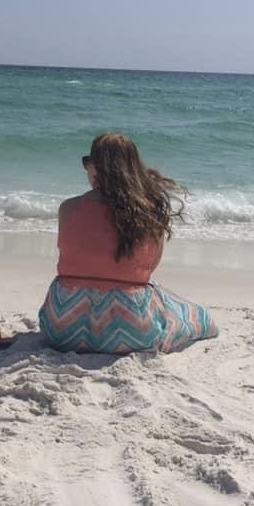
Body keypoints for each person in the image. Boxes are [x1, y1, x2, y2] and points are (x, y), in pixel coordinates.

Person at [39, 132, 218, 354]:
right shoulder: (148, 212)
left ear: (95, 167)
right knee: (195, 315)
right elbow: (149, 268)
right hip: (132, 331)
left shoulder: (68, 208)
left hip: (61, 327)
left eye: (88, 162)